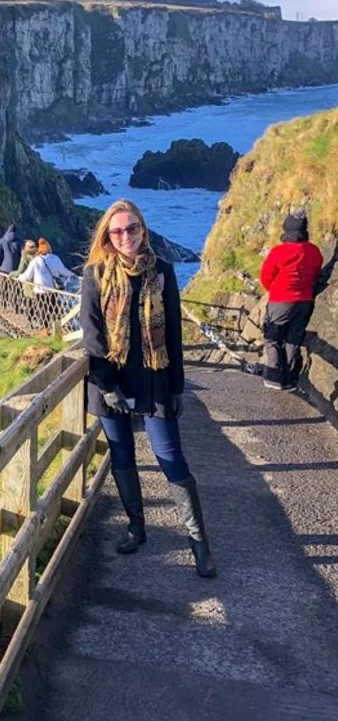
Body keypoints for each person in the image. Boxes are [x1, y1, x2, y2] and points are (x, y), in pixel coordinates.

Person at [80, 198, 216, 577]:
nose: (126, 236)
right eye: (118, 230)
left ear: (143, 229)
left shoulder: (164, 273)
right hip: (111, 385)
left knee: (172, 460)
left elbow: (173, 332)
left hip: (154, 381)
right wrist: (106, 387)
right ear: (108, 236)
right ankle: (136, 527)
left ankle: (200, 545)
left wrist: (176, 387)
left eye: (132, 228)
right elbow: (92, 338)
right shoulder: (95, 275)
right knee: (123, 457)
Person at [260, 211, 324, 390]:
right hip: (305, 301)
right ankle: (288, 379)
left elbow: (266, 276)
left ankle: (274, 377)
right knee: (292, 339)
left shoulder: (279, 251)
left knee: (272, 337)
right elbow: (317, 272)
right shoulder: (314, 251)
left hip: (282, 299)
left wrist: (274, 290)